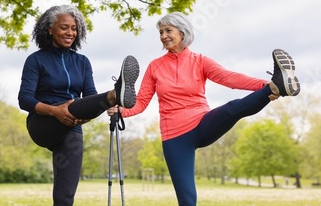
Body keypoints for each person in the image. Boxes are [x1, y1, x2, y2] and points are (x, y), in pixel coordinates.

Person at [107, 12, 300, 206]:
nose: (163, 36)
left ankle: (274, 87)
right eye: (160, 32)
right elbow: (141, 102)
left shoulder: (199, 60)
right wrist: (122, 111)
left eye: (168, 30)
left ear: (182, 32)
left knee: (232, 109)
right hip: (174, 137)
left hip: (202, 123)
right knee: (187, 200)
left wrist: (262, 85)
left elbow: (228, 78)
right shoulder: (155, 67)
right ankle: (274, 87)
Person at [17, 5, 140, 206]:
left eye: (74, 28)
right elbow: (25, 99)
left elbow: (90, 97)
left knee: (65, 197)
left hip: (73, 124)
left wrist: (89, 114)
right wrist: (55, 111)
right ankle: (114, 94)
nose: (71, 33)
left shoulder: (82, 62)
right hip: (42, 122)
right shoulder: (36, 60)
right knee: (71, 105)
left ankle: (114, 96)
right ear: (50, 29)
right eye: (64, 27)